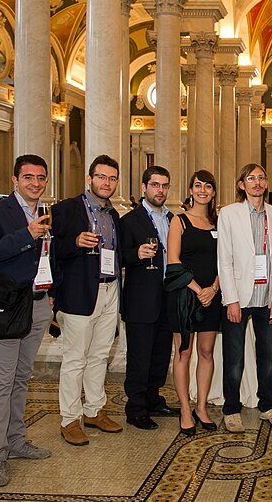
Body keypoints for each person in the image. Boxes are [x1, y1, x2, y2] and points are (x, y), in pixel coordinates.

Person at [0, 155, 53, 487]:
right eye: (29, 177)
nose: (35, 183)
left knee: (21, 378)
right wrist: (27, 233)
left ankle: (16, 441)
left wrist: (53, 292)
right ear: (15, 179)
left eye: (41, 178)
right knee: (0, 383)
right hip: (4, 308)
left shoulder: (49, 213)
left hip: (37, 305)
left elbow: (51, 255)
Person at [52, 155, 124, 446]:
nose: (106, 183)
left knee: (99, 356)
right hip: (79, 294)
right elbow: (48, 246)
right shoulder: (67, 209)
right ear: (89, 178)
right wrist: (74, 243)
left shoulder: (113, 214)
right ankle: (69, 419)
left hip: (109, 290)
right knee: (75, 358)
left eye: (112, 178)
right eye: (101, 177)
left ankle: (94, 410)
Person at [217, 163, 272, 432]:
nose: (256, 183)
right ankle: (231, 408)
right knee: (234, 359)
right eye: (250, 178)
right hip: (239, 296)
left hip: (267, 297)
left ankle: (267, 406)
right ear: (241, 185)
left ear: (267, 184)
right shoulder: (229, 214)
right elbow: (224, 259)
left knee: (267, 357)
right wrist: (230, 299)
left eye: (261, 177)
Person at [120, 166, 179, 432]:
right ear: (144, 187)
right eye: (155, 185)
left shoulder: (173, 219)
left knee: (159, 355)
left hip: (167, 297)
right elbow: (119, 257)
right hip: (141, 300)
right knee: (140, 357)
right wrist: (137, 254)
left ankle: (154, 400)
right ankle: (136, 408)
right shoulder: (130, 220)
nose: (160, 190)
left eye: (164, 185)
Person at [166, 169, 223, 435]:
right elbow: (173, 261)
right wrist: (198, 288)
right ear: (190, 190)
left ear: (213, 192)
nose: (202, 190)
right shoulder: (179, 221)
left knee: (207, 352)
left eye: (208, 186)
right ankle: (185, 410)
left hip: (212, 294)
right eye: (197, 185)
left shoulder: (219, 222)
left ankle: (201, 407)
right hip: (185, 295)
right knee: (184, 352)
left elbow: (227, 260)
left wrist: (213, 288)